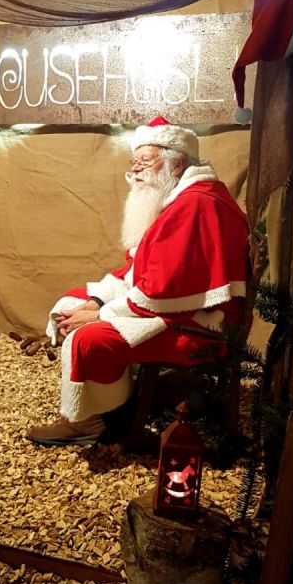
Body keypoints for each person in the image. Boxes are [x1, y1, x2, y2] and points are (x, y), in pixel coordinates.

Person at [28, 116, 250, 446]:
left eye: (145, 162)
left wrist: (99, 314)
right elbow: (144, 272)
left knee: (89, 338)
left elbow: (161, 291)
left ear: (176, 164)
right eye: (134, 162)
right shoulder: (180, 197)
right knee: (73, 301)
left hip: (200, 326)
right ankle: (118, 406)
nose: (136, 171)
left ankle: (90, 422)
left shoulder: (194, 205)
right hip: (179, 309)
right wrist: (97, 301)